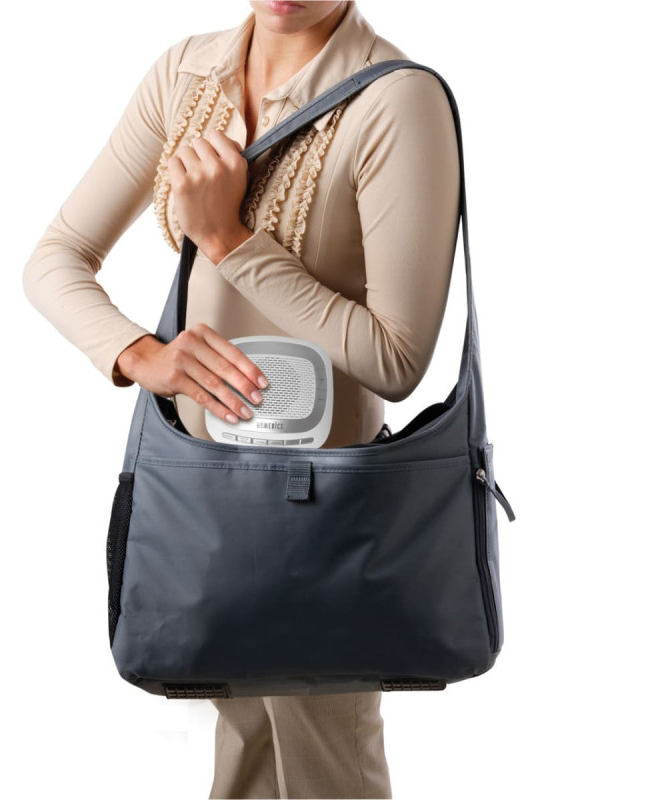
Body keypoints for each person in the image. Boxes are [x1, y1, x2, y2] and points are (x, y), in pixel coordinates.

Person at [23, 1, 460, 796]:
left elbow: (395, 358)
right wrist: (139, 354)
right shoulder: (185, 75)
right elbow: (56, 258)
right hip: (204, 495)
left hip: (323, 508)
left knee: (328, 768)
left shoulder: (395, 99)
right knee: (245, 762)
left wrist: (227, 240)